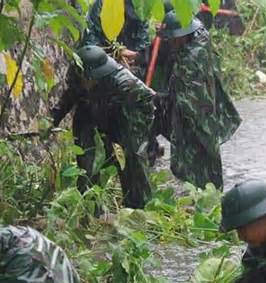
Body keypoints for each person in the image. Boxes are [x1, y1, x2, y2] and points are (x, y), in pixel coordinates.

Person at [51, 45, 154, 209]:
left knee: (132, 163)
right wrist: (53, 119)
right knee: (87, 165)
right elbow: (69, 96)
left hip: (123, 121)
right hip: (89, 118)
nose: (84, 83)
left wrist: (138, 133)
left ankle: (139, 208)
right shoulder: (79, 77)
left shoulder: (125, 84)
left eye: (87, 80)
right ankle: (91, 208)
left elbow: (149, 104)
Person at [160, 12, 241, 189]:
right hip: (200, 112)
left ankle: (207, 196)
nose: (172, 43)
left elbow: (188, 101)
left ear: (184, 36)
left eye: (174, 39)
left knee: (200, 157)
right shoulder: (202, 39)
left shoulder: (190, 59)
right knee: (201, 159)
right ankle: (204, 194)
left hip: (197, 114)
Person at [81, 0, 151, 76]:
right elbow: (91, 39)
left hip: (129, 67)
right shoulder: (102, 4)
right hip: (103, 62)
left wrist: (135, 57)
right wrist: (116, 52)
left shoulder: (139, 8)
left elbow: (143, 48)